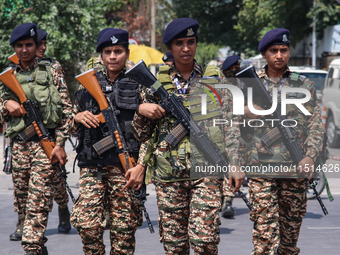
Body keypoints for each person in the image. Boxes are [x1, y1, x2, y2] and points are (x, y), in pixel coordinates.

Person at [132, 17, 245, 254]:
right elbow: (143, 135)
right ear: (170, 48)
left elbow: (230, 125)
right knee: (175, 246)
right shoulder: (154, 84)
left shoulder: (214, 79)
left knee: (205, 242)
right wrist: (142, 111)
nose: (186, 48)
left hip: (207, 170)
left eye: (191, 42)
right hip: (169, 173)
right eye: (179, 43)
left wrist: (235, 162)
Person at [243, 28, 324, 255]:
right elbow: (227, 121)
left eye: (284, 50)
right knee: (265, 237)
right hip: (261, 168)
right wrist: (245, 112)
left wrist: (310, 156)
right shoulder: (248, 83)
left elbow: (315, 125)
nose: (279, 55)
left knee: (289, 240)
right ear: (264, 54)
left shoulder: (303, 85)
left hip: (294, 169)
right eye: (273, 50)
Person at [70, 28, 144, 254]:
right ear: (101, 55)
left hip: (126, 167)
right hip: (93, 166)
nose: (113, 56)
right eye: (108, 51)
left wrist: (141, 165)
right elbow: (68, 125)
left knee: (124, 231)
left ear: (127, 52)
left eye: (118, 51)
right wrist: (77, 117)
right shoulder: (88, 83)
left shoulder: (139, 83)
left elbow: (151, 132)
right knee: (87, 225)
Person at [0, 23, 72, 255]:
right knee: (22, 198)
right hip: (20, 145)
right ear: (14, 48)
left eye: (28, 45)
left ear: (36, 45)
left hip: (46, 144)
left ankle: (32, 244)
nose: (24, 50)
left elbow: (67, 110)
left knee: (37, 201)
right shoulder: (8, 75)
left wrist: (59, 144)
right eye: (19, 46)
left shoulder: (52, 70)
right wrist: (5, 104)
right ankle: (38, 247)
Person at [219, 54, 241, 219]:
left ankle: (228, 200)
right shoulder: (219, 85)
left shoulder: (241, 84)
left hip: (237, 132)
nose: (235, 71)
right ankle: (223, 198)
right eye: (232, 69)